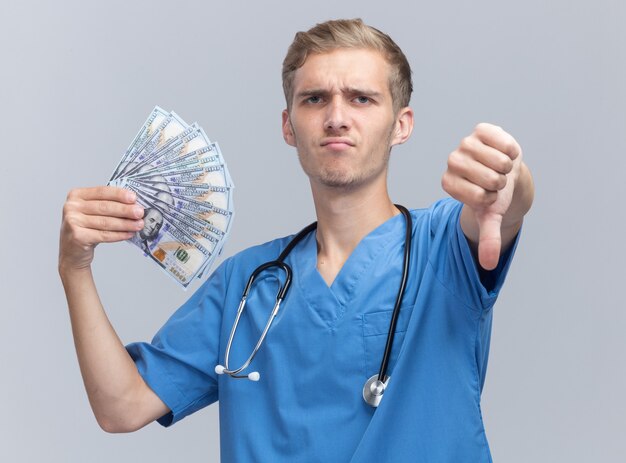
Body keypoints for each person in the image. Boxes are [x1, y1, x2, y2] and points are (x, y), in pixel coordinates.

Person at [59, 18, 534, 462]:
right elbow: (121, 407)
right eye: (315, 99)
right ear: (289, 126)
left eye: (361, 99)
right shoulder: (245, 285)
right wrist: (74, 269)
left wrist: (506, 179)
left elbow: (507, 202)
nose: (336, 117)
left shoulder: (444, 247)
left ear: (402, 125)